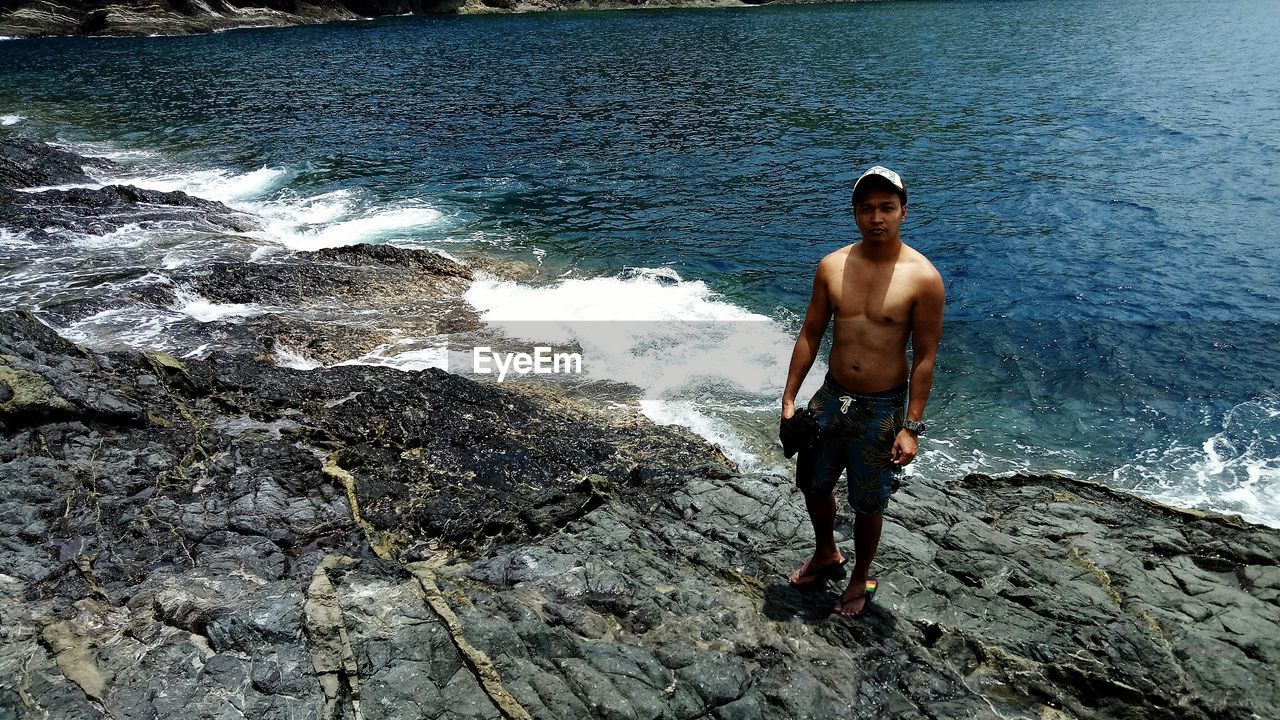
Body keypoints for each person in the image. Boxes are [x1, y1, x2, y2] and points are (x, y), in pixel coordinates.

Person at [780, 165, 944, 618]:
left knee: (869, 501)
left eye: (887, 208)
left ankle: (860, 575)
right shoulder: (832, 266)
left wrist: (911, 427)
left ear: (903, 213)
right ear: (855, 214)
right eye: (867, 208)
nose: (877, 217)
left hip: (882, 407)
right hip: (831, 396)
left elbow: (926, 357)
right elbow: (810, 333)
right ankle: (827, 552)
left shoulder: (923, 278)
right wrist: (790, 397)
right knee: (813, 483)